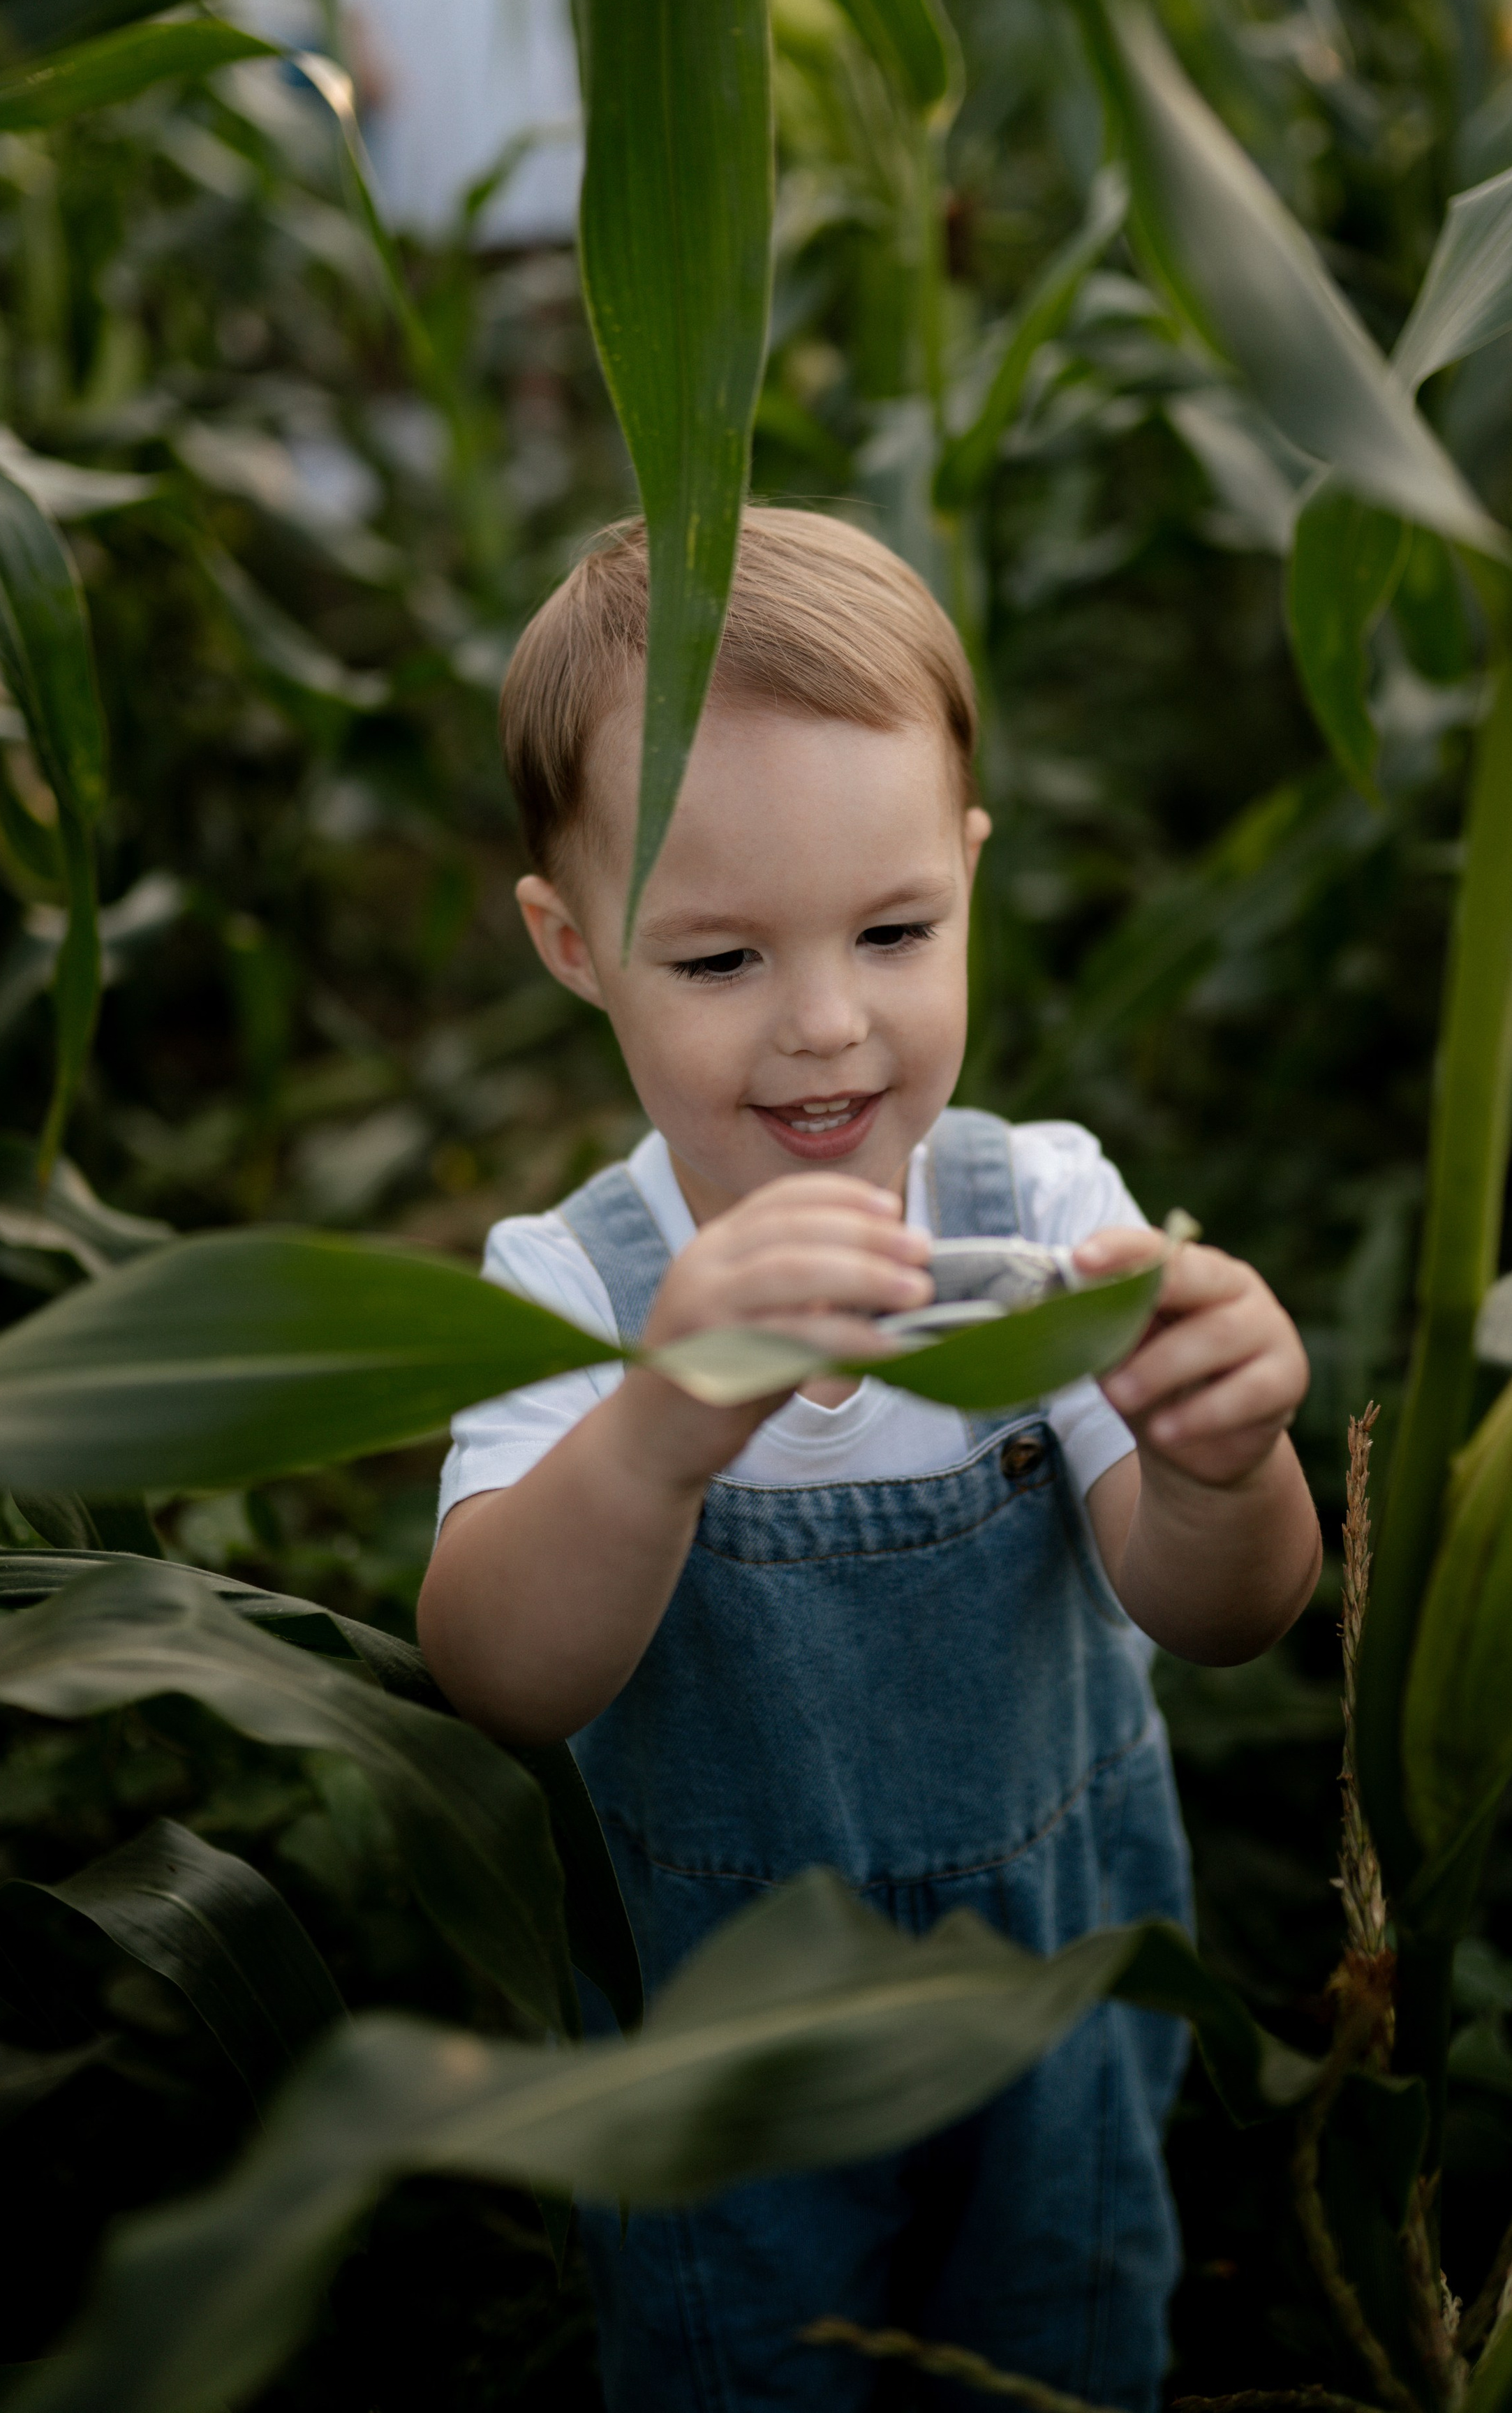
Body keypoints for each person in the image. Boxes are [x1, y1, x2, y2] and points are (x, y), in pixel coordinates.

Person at [417, 506, 1320, 2411]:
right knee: (739, 2364)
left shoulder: (1045, 1216)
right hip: (720, 2029)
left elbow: (1222, 1615)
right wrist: (659, 1428)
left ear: (972, 876)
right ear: (574, 946)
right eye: (723, 956)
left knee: (1061, 2349)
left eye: (895, 931)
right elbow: (497, 1675)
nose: (828, 1027)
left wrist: (1233, 1465)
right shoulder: (575, 1291)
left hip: (1052, 1989)